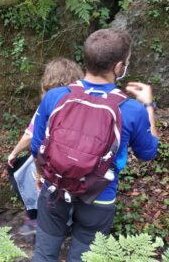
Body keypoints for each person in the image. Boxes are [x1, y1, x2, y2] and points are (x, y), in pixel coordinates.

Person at [31, 28, 159, 261]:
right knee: (84, 256)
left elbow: (36, 147)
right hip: (99, 197)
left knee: (43, 254)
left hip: (54, 188)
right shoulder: (132, 110)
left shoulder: (55, 96)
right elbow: (148, 152)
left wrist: (42, 175)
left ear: (86, 59)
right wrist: (148, 106)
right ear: (119, 67)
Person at [7, 58, 83, 237]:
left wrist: (14, 153)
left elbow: (31, 135)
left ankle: (34, 216)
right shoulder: (85, 101)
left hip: (51, 161)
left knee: (16, 169)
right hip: (78, 164)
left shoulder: (50, 101)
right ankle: (67, 222)